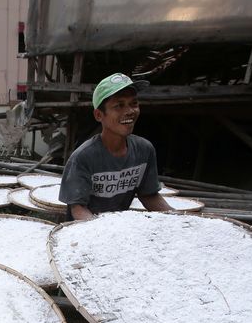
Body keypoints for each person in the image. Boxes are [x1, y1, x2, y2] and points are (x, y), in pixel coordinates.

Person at [59, 73, 172, 220]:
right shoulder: (83, 157)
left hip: (117, 229)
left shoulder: (144, 150)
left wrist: (178, 219)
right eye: (119, 105)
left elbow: (149, 195)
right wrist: (101, 233)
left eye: (133, 103)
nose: (130, 111)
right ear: (99, 115)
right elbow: (78, 208)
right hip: (84, 232)